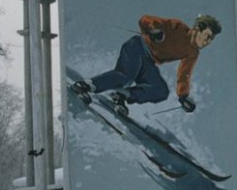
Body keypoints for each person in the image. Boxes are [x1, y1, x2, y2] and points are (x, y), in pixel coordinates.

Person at [72, 13, 222, 115]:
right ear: (197, 30)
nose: (208, 42)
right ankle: (85, 85)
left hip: (148, 62)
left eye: (211, 40)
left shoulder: (193, 52)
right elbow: (145, 19)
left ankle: (121, 95)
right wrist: (154, 30)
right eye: (207, 36)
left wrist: (183, 97)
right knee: (126, 76)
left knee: (161, 91)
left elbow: (184, 73)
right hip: (137, 47)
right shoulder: (178, 27)